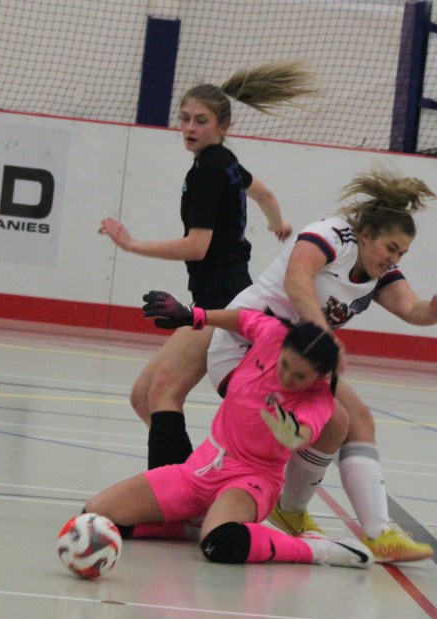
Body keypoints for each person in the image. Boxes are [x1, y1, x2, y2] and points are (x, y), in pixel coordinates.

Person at [140, 166, 437, 563]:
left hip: (295, 354)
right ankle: (236, 500)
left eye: (402, 253)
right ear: (365, 235)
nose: (394, 259)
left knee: (353, 420)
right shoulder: (332, 235)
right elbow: (297, 281)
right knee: (333, 421)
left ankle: (354, 526)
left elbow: (409, 307)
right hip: (247, 344)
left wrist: (430, 314)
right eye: (391, 248)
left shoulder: (380, 270)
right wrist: (324, 338)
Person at [98, 61, 315, 470]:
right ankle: (195, 475)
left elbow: (197, 247)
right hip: (228, 295)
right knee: (143, 393)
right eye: (184, 119)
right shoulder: (224, 161)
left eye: (200, 120)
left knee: (161, 390)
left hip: (222, 300)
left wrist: (132, 245)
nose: (189, 128)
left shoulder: (208, 170)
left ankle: (179, 491)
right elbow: (264, 193)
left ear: (222, 125)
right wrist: (278, 222)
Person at [80, 290, 374, 570]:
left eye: (299, 376)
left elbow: (306, 432)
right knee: (95, 516)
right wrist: (194, 315)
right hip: (200, 469)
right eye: (284, 365)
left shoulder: (319, 398)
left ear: (319, 377)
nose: (285, 378)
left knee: (220, 542)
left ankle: (314, 549)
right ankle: (189, 526)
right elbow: (242, 318)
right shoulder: (273, 333)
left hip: (251, 481)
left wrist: (294, 436)